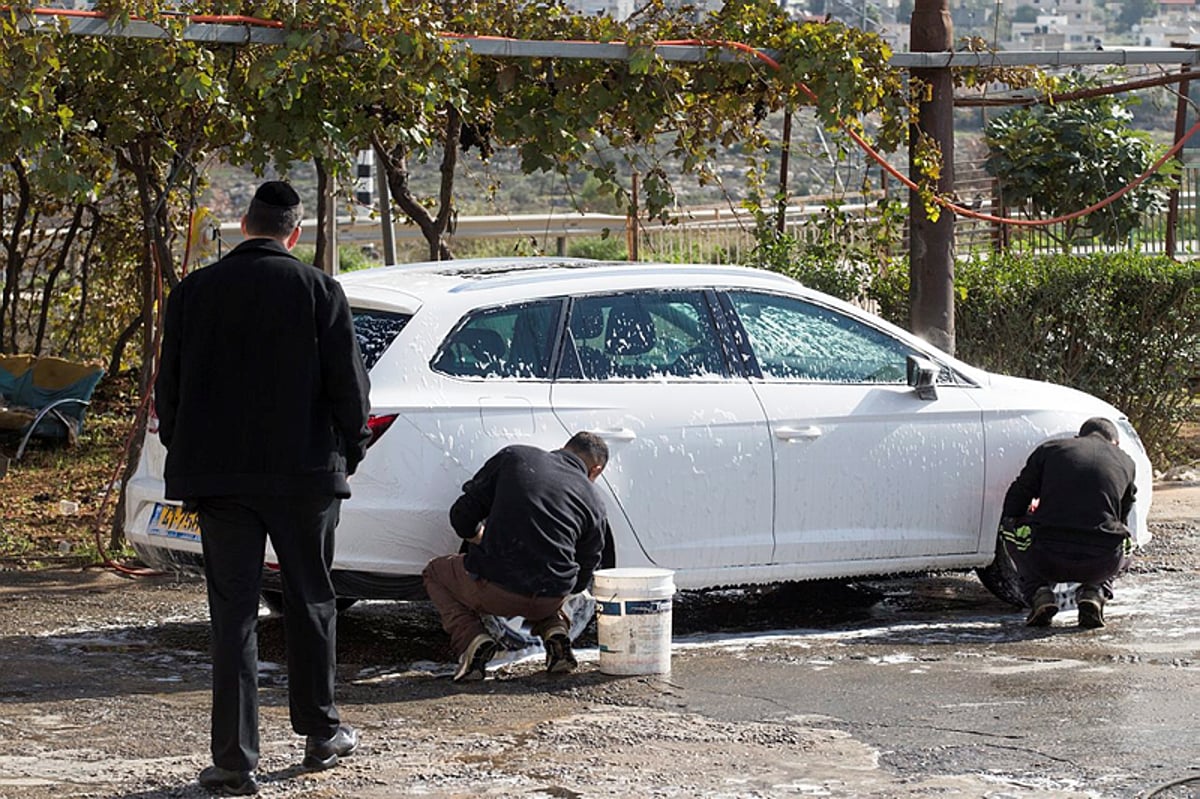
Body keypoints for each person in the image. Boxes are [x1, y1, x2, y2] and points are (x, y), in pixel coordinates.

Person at [155, 181, 371, 796]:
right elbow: (348, 390)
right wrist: (347, 454)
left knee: (232, 615)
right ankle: (321, 731)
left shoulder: (193, 293)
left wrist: (188, 453)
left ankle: (234, 760)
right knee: (310, 601)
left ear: (243, 225)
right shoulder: (319, 290)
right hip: (304, 478)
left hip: (219, 481)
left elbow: (170, 390)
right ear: (293, 234)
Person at [423, 432, 611, 683]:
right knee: (549, 574)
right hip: (550, 598)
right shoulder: (595, 500)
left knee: (434, 572)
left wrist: (480, 537)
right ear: (595, 469)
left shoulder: (516, 457)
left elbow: (461, 515)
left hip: (495, 590)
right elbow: (585, 573)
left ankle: (471, 640)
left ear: (564, 447)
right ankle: (556, 630)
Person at [1000, 417, 1137, 630]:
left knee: (1007, 529)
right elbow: (1122, 517)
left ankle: (1039, 593)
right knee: (1129, 542)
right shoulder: (1126, 462)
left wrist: (1024, 519)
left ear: (1077, 437)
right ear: (1115, 443)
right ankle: (1096, 590)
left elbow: (1015, 500)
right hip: (1101, 562)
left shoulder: (1050, 449)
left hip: (1047, 556)